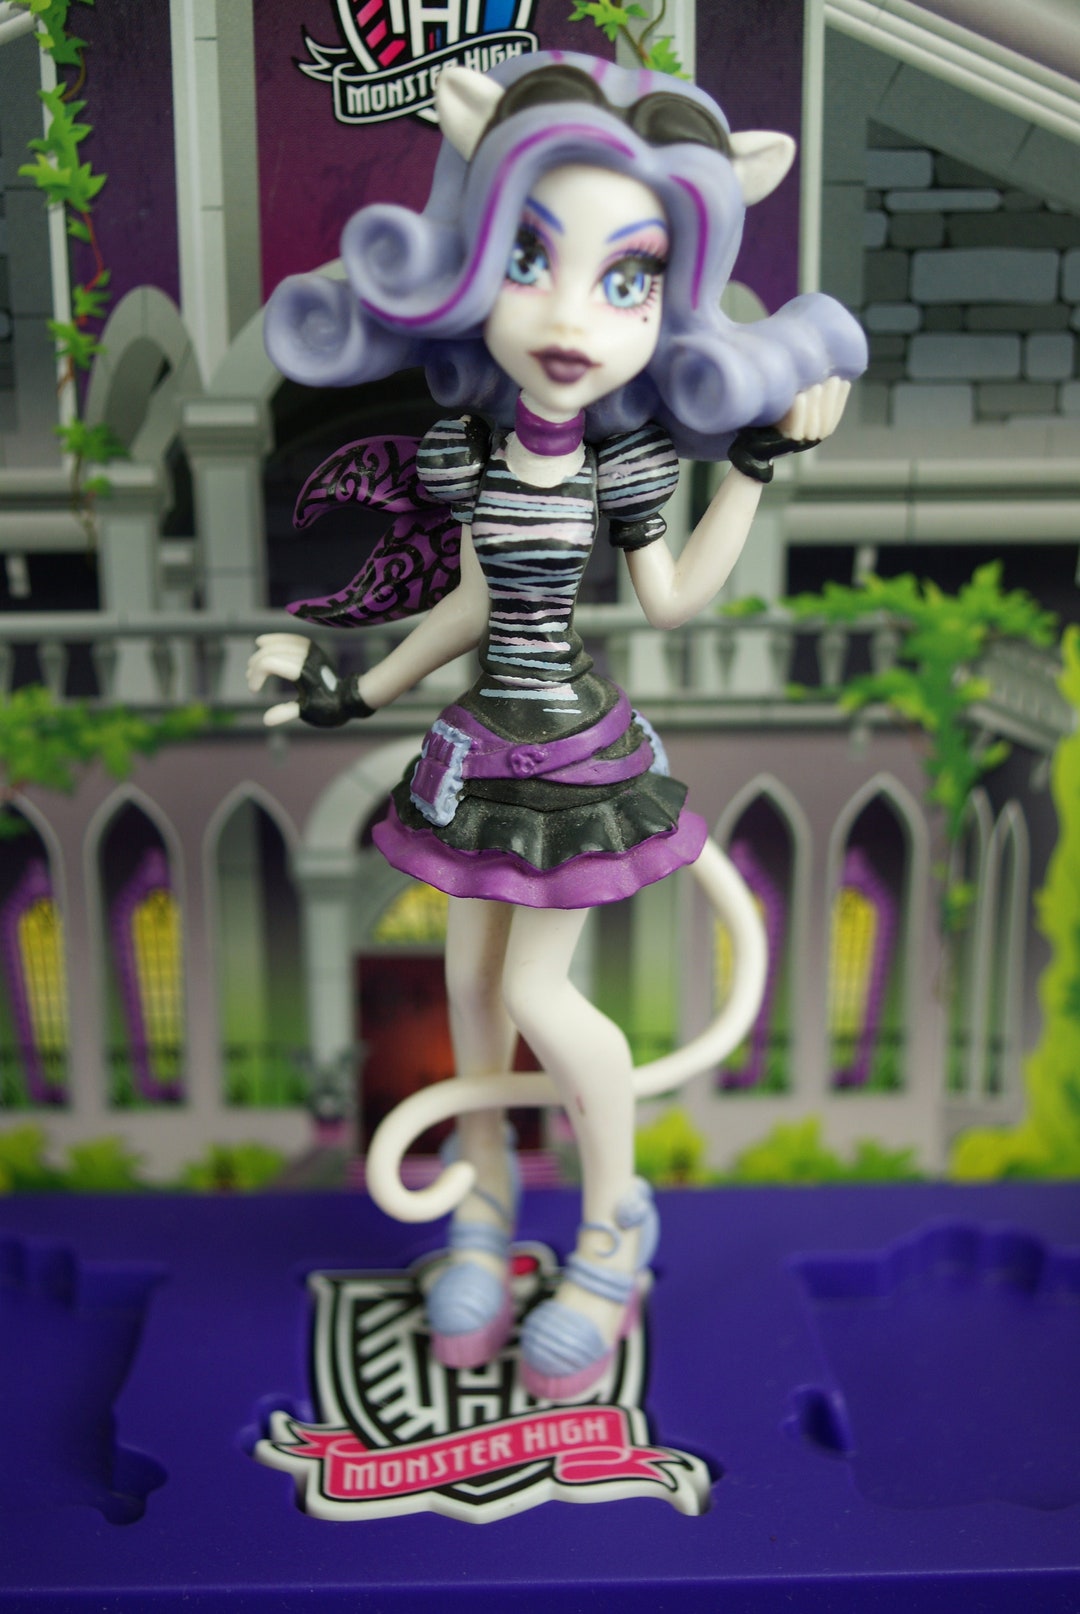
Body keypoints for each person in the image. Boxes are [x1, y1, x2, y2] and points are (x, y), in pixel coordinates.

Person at [247, 52, 865, 1402]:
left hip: (573, 753)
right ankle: (483, 1199)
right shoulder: (471, 442)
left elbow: (672, 598)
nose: (574, 315)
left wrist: (754, 471)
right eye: (534, 258)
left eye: (628, 278)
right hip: (480, 749)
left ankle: (611, 1225)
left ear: (671, 300)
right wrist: (352, 691)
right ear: (477, 257)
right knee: (469, 986)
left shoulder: (625, 460)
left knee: (535, 991)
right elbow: (469, 605)